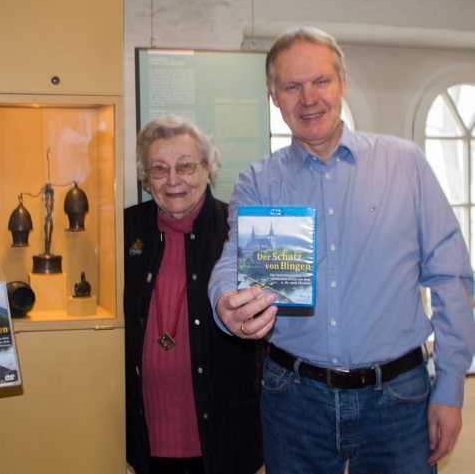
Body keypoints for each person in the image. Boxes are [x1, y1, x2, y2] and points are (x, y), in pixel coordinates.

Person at [208, 26, 475, 474]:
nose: (308, 98)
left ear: (342, 84)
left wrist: (449, 389)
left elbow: (452, 278)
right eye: (292, 86)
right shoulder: (259, 181)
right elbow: (236, 259)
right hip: (294, 400)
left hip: (399, 399)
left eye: (320, 81)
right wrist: (223, 302)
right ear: (274, 96)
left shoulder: (404, 164)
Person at [125, 115, 264, 474]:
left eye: (185, 166)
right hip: (145, 434)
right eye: (159, 169)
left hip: (225, 437)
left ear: (208, 168)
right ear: (145, 177)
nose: (173, 180)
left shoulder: (239, 231)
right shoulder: (124, 231)